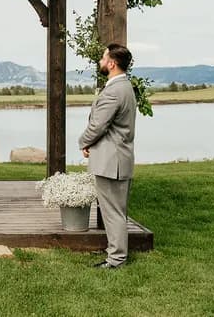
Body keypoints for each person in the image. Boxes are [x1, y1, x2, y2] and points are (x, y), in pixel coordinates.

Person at [78, 43, 137, 269]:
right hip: (117, 158)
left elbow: (98, 126)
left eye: (103, 58)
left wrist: (84, 142)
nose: (101, 61)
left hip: (111, 161)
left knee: (113, 213)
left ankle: (116, 259)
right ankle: (115, 254)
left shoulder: (114, 91)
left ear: (112, 63)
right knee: (116, 211)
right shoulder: (124, 87)